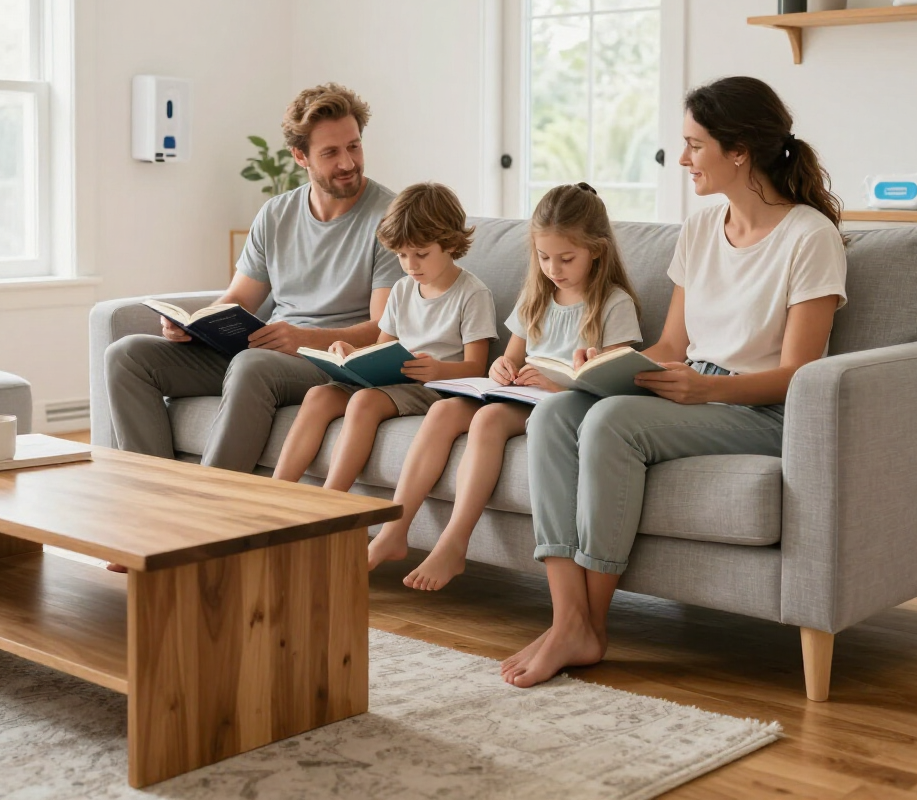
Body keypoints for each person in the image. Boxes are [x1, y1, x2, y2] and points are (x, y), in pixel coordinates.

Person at [502, 76, 848, 688]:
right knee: (555, 413)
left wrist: (707, 389)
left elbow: (800, 374)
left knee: (612, 423)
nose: (683, 158)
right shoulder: (699, 229)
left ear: (737, 151)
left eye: (694, 145)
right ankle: (568, 617)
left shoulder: (809, 238)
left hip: (763, 408)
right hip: (695, 385)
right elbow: (670, 348)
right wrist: (601, 361)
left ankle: (591, 626)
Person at [104, 83, 404, 473]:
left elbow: (382, 330)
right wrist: (194, 325)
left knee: (252, 365)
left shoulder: (391, 218)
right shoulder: (276, 214)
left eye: (354, 146)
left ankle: (215, 508)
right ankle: (159, 498)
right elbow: (240, 298)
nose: (348, 162)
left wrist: (302, 339)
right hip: (268, 351)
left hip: (330, 361)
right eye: (331, 152)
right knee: (126, 356)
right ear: (301, 156)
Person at [368, 182, 642, 590]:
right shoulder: (537, 296)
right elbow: (511, 355)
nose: (553, 269)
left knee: (489, 420)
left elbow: (617, 379)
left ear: (597, 251)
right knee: (444, 410)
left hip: (563, 404)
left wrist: (556, 384)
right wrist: (501, 368)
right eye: (544, 257)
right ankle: (395, 527)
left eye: (566, 258)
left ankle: (454, 542)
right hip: (520, 395)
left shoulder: (613, 303)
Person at [272, 182, 499, 491]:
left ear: (449, 243)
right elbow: (382, 348)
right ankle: (275, 492)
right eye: (402, 255)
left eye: (421, 254)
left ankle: (331, 501)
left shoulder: (472, 293)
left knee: (365, 402)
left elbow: (477, 367)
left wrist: (438, 369)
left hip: (432, 387)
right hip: (392, 382)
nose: (410, 265)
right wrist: (350, 353)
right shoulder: (402, 289)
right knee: (318, 396)